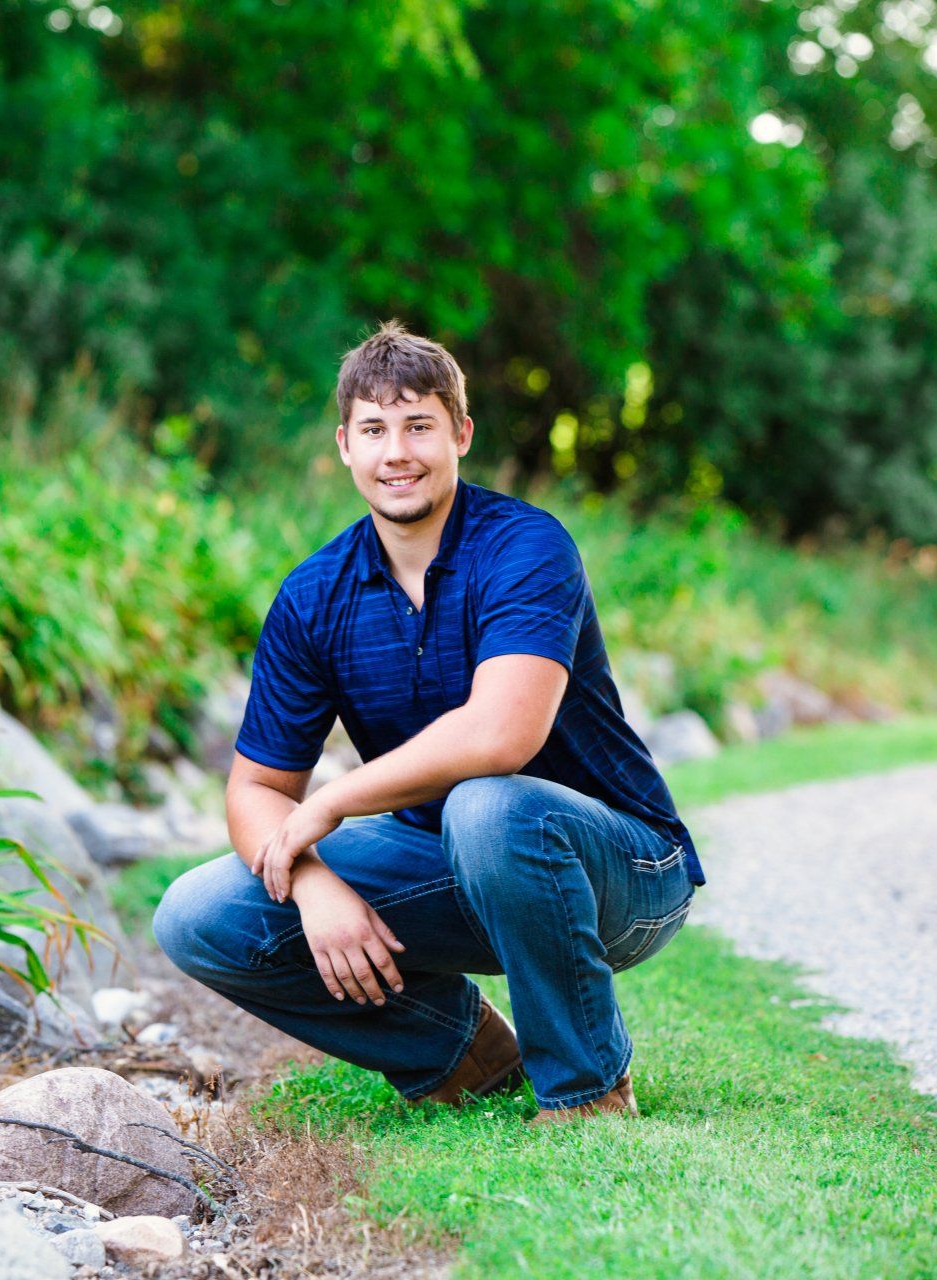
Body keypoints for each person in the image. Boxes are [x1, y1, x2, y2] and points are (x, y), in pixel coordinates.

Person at [152, 320, 706, 1123]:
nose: (396, 453)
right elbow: (255, 789)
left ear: (461, 435)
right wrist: (314, 886)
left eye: (419, 425)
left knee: (489, 805)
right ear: (345, 445)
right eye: (374, 430)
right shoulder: (315, 596)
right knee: (199, 915)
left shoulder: (525, 546)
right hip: (451, 863)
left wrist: (337, 800)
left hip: (619, 868)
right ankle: (464, 1053)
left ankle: (586, 1090)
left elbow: (500, 736)